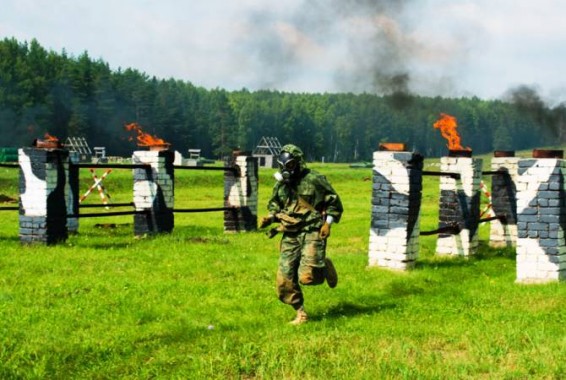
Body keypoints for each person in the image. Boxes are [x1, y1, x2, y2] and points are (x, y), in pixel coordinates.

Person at [259, 144, 344, 325]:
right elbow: (275, 204)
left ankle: (323, 266)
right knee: (284, 277)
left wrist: (328, 224)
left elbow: (334, 202)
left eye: (289, 165)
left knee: (308, 278)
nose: (285, 170)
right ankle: (301, 313)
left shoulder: (314, 179)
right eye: (282, 166)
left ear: (298, 163)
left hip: (312, 229)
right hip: (290, 232)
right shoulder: (281, 184)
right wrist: (270, 217)